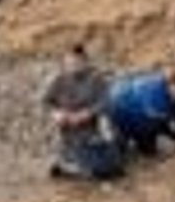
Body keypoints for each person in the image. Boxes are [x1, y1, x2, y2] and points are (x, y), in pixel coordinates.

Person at [40, 43, 125, 181]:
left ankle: (87, 166)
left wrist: (87, 114)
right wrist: (56, 114)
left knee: (110, 171)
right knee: (78, 162)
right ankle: (70, 165)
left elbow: (107, 103)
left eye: (76, 62)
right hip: (69, 132)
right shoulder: (59, 80)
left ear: (85, 61)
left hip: (95, 131)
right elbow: (46, 102)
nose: (73, 66)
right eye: (69, 63)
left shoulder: (97, 79)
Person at [104, 67, 175, 156]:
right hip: (120, 107)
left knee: (159, 127)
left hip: (133, 101)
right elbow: (163, 120)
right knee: (147, 148)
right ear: (171, 84)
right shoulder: (155, 96)